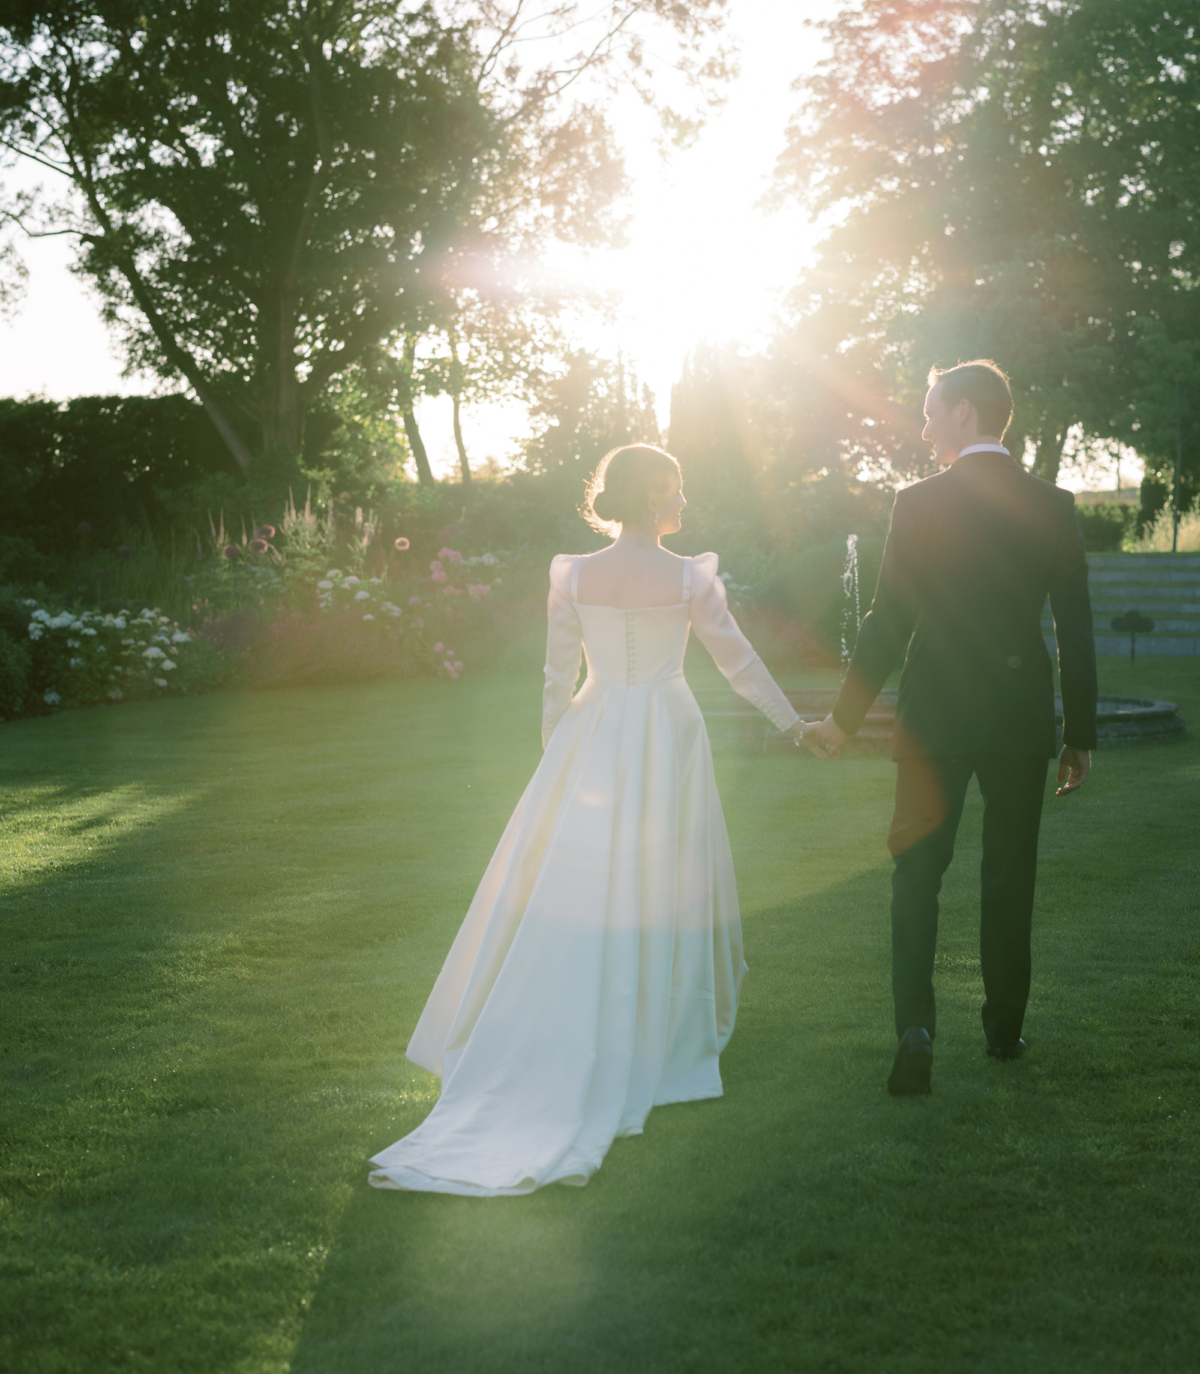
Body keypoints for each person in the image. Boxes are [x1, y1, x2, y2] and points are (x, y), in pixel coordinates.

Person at [369, 444, 808, 1195]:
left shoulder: (572, 572)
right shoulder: (688, 575)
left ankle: (573, 1023)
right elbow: (739, 662)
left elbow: (555, 672)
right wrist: (796, 725)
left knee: (579, 881)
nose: (683, 497)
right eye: (678, 485)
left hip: (593, 726)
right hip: (667, 726)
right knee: (663, 882)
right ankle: (656, 1030)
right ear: (661, 494)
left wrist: (558, 751)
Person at [805, 359, 1098, 1095]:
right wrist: (1080, 731)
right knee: (1009, 876)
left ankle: (917, 1028)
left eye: (933, 410)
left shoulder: (919, 502)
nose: (926, 423)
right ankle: (1003, 1032)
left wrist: (843, 720)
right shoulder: (1053, 504)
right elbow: (1076, 629)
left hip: (935, 717)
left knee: (916, 872)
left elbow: (886, 620)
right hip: (1018, 716)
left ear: (967, 412)